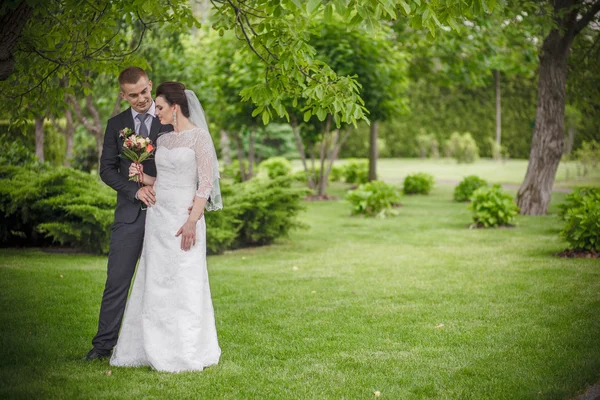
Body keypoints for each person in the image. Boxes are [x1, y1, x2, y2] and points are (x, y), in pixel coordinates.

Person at [109, 82, 222, 372]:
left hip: (184, 220)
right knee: (155, 283)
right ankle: (150, 346)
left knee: (185, 281)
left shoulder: (199, 138)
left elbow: (205, 183)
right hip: (158, 219)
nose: (154, 111)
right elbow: (162, 182)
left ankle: (185, 348)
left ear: (175, 107)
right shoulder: (165, 140)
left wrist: (192, 221)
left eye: (159, 107)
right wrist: (140, 176)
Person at [83, 67, 172, 361]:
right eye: (133, 95)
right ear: (123, 95)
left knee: (164, 283)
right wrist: (134, 191)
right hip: (128, 216)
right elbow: (106, 170)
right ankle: (102, 346)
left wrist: (156, 185)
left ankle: (163, 346)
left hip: (165, 214)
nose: (142, 99)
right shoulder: (115, 125)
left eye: (145, 91)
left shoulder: (169, 121)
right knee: (117, 281)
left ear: (150, 85)